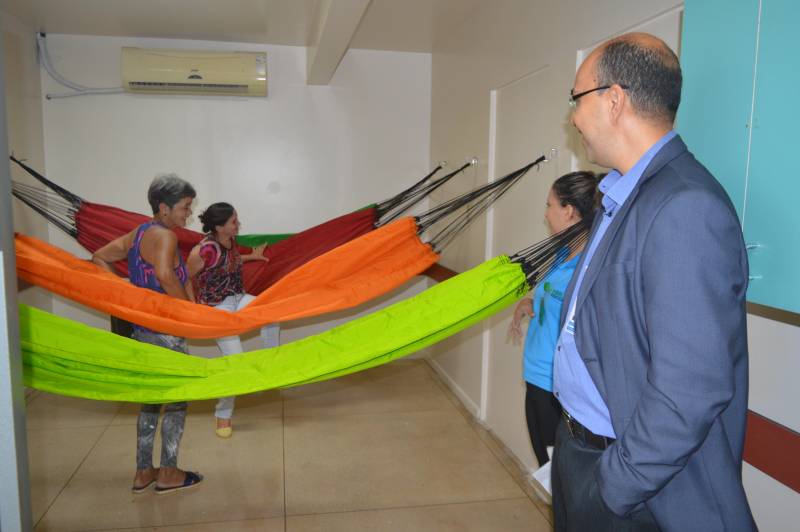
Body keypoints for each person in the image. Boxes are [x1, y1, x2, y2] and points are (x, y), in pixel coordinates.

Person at [551, 33, 754, 531]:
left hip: (633, 485)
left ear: (614, 100)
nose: (573, 117)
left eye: (577, 99)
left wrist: (613, 486)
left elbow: (690, 389)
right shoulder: (622, 194)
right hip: (584, 451)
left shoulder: (685, 206)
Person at [92, 174, 204, 495]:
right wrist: (186, 315)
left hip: (143, 330)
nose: (189, 214)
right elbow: (166, 275)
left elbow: (100, 257)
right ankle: (168, 471)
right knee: (177, 401)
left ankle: (144, 471)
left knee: (151, 401)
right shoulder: (165, 237)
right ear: (165, 208)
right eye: (185, 207)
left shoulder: (139, 233)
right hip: (167, 331)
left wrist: (127, 297)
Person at [506, 171, 599, 467]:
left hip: (558, 387)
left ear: (568, 211)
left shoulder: (589, 269)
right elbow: (556, 301)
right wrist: (529, 302)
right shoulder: (559, 256)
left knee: (558, 473)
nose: (546, 215)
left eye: (549, 205)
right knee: (545, 467)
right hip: (535, 376)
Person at [187, 202, 279, 438]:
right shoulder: (203, 250)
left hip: (238, 298)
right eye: (233, 221)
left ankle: (269, 364)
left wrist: (252, 256)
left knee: (271, 311)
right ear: (219, 226)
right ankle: (223, 415)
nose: (238, 224)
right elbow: (185, 278)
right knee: (235, 363)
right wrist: (193, 307)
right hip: (217, 308)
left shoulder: (229, 240)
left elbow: (231, 260)